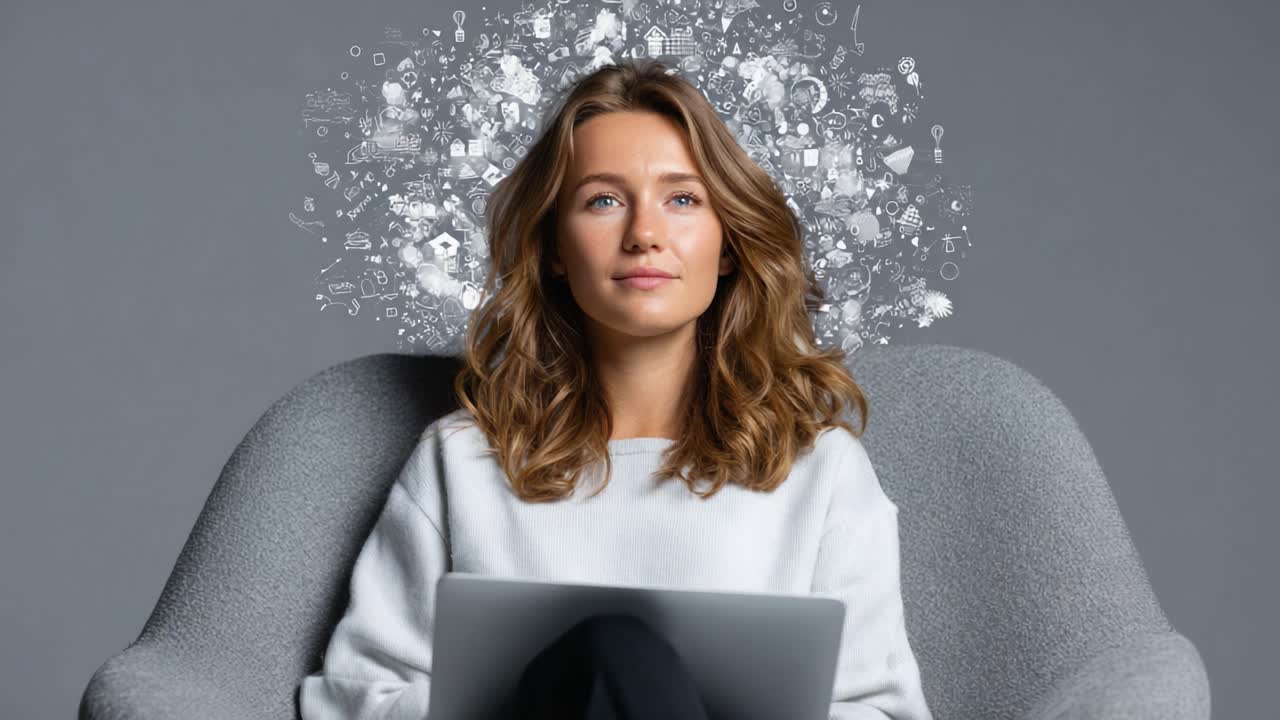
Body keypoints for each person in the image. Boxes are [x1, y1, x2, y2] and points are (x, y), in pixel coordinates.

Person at [299, 58, 933, 720]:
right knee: (610, 650)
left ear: (727, 246)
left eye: (682, 200)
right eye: (604, 201)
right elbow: (354, 700)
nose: (644, 235)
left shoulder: (820, 469)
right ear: (554, 248)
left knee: (620, 653)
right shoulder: (461, 462)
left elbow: (883, 712)